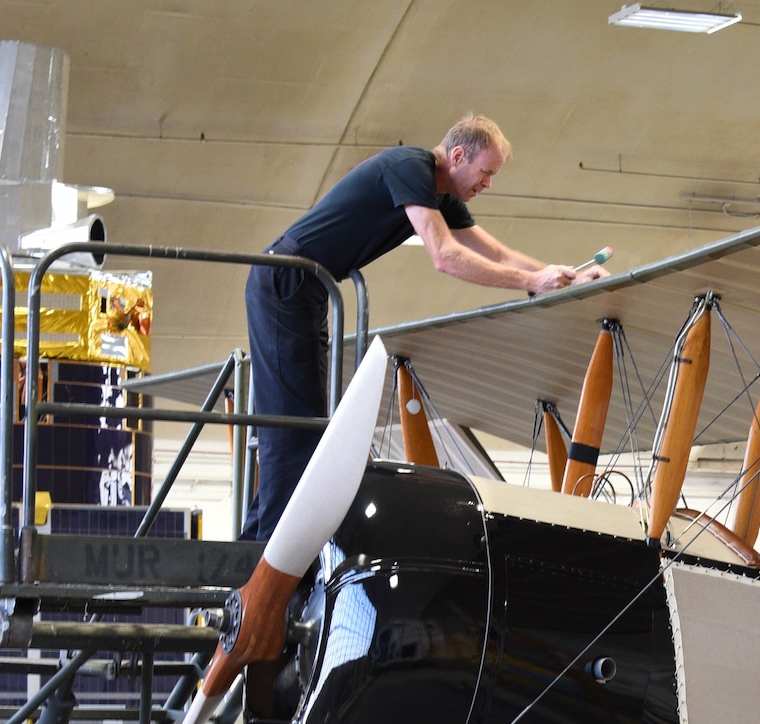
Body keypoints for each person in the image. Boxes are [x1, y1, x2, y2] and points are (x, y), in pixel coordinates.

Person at [240, 114, 606, 540]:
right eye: (486, 172)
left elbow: (500, 255)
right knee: (294, 427)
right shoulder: (411, 168)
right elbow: (445, 256)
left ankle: (255, 549)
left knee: (302, 423)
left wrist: (560, 277)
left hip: (308, 286)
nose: (488, 184)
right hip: (286, 279)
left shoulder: (441, 195)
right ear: (457, 156)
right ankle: (265, 555)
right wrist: (530, 283)